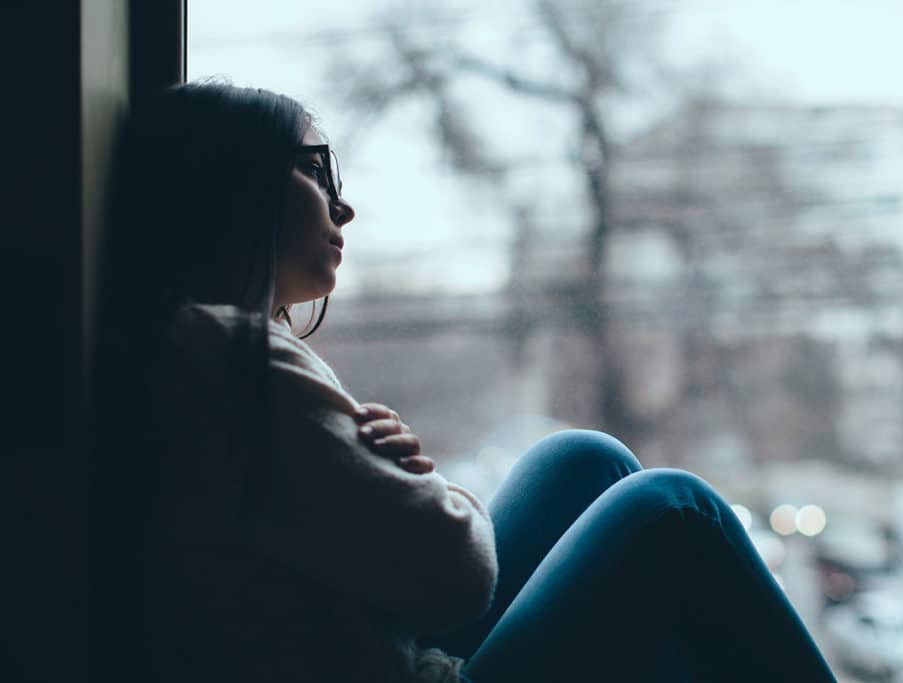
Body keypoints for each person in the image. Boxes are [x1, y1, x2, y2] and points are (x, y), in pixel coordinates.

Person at [90, 82, 837, 683]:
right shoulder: (239, 362)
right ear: (234, 186)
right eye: (316, 170)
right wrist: (420, 489)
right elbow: (454, 577)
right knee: (676, 508)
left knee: (583, 460)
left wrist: (390, 489)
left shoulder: (189, 346)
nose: (342, 205)